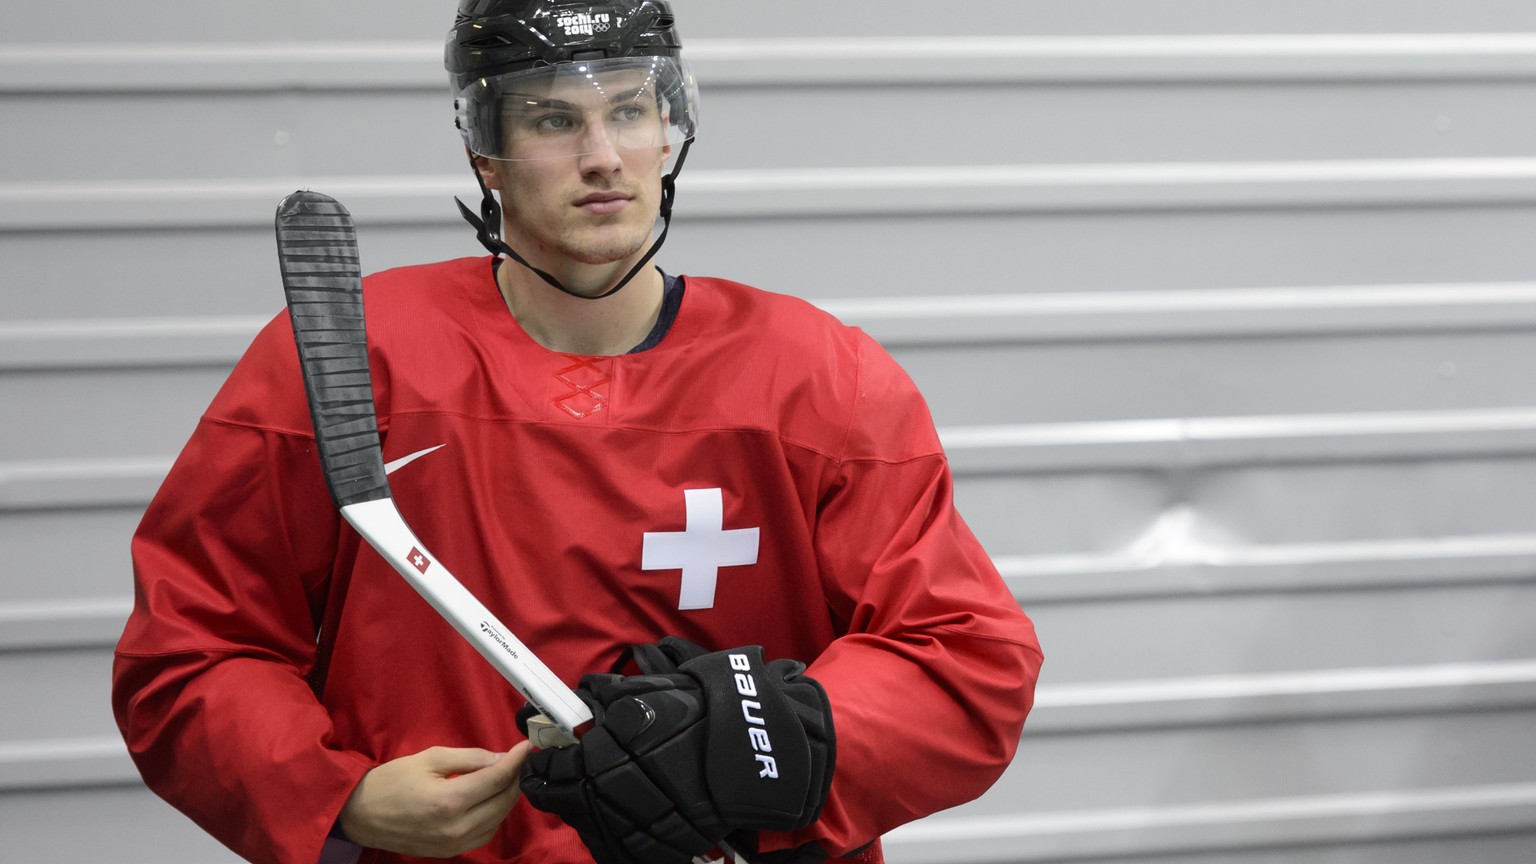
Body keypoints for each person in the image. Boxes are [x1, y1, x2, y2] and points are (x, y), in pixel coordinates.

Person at [111, 2, 1043, 864]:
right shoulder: (353, 360)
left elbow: (967, 660)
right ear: (488, 157)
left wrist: (773, 743)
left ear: (669, 131)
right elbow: (190, 648)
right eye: (556, 121)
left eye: (630, 112)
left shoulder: (819, 377)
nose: (604, 155)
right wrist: (339, 795)